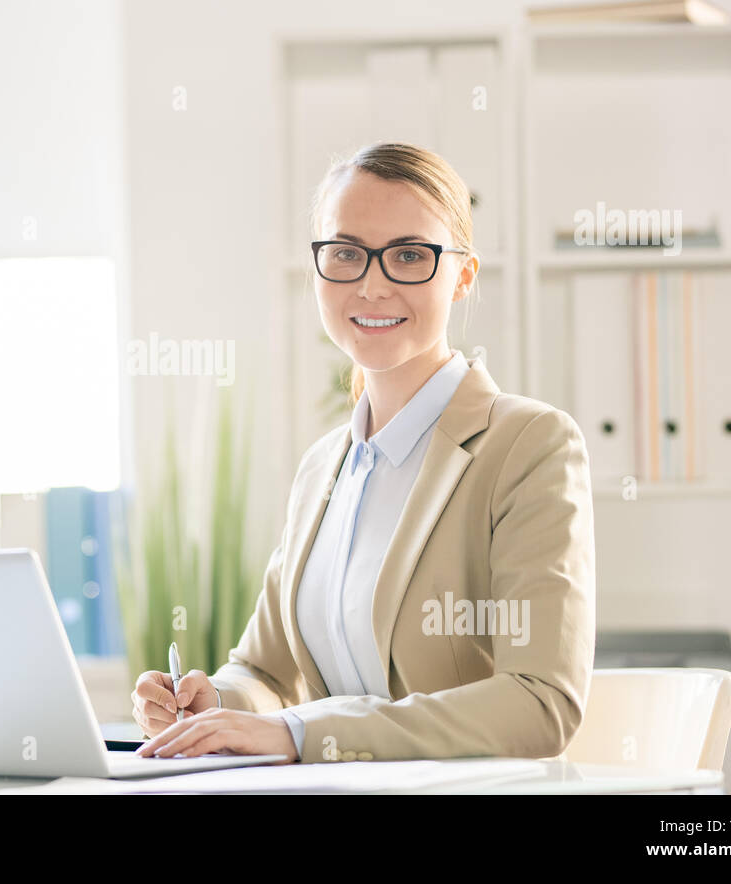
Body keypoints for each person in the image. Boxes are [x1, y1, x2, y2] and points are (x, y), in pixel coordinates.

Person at [132, 142, 596, 764]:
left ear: (463, 275)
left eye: (409, 254)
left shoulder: (528, 445)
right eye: (346, 253)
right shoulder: (324, 466)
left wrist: (304, 735)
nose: (373, 285)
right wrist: (210, 703)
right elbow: (266, 674)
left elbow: (540, 703)